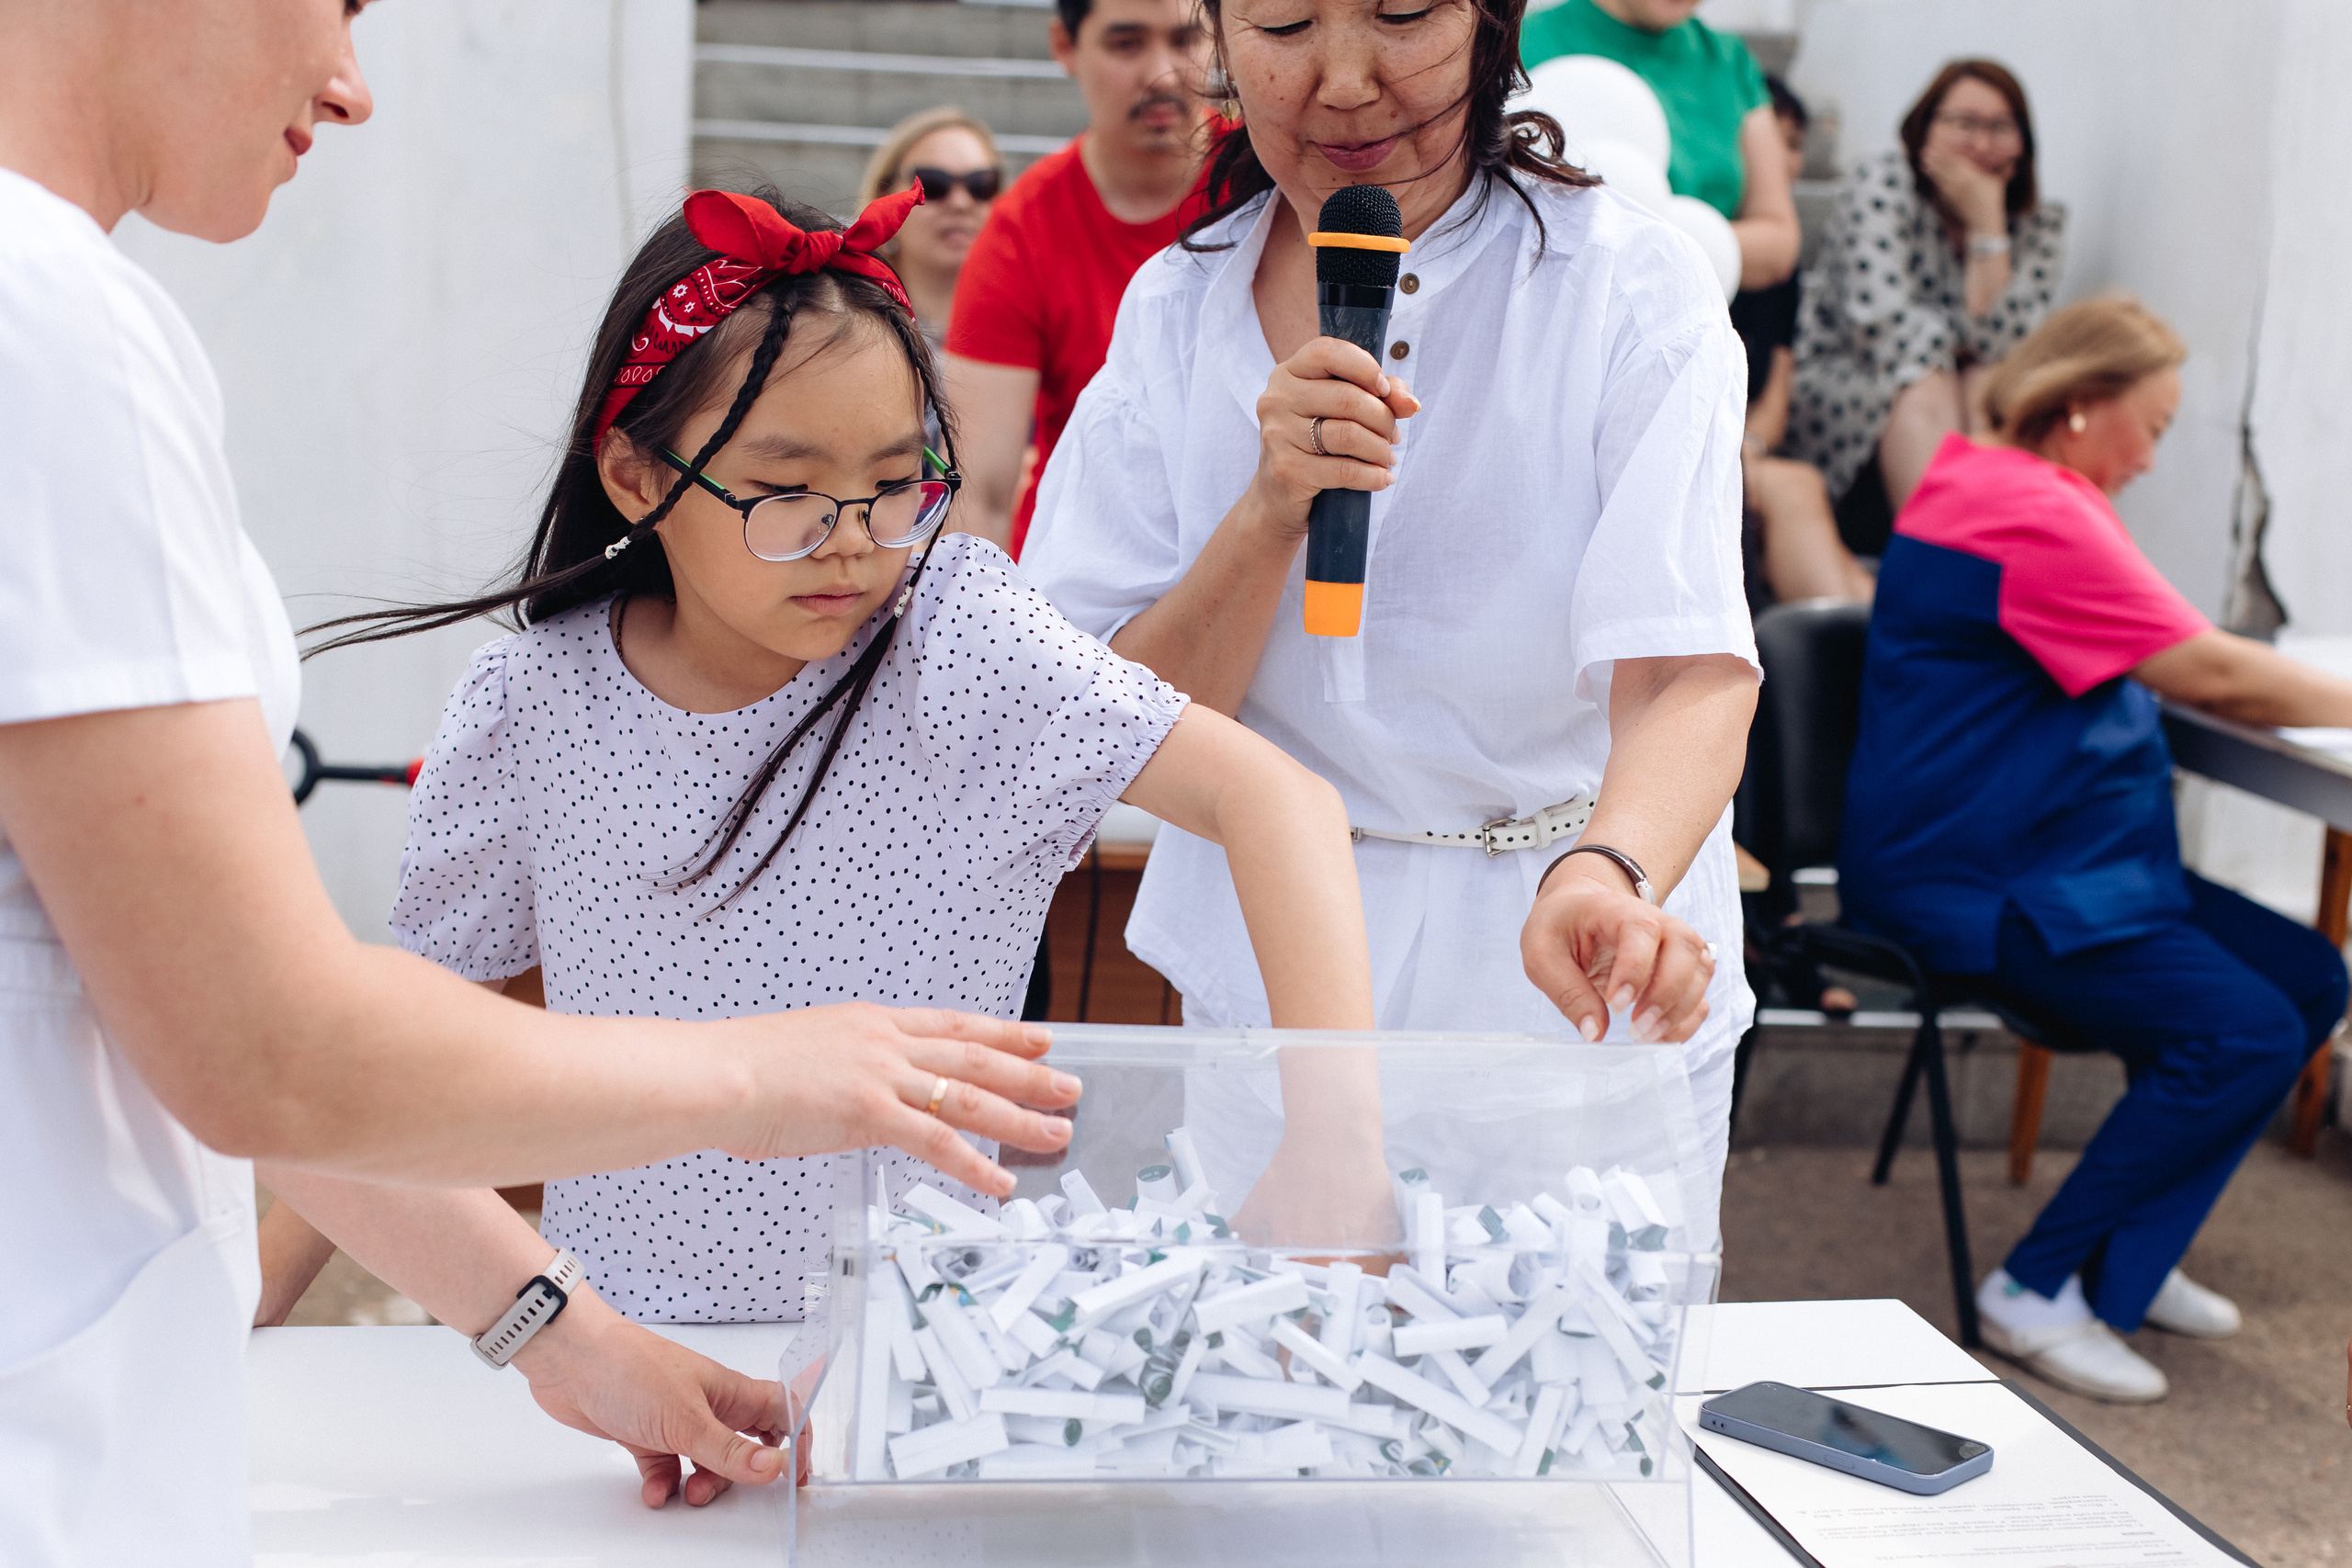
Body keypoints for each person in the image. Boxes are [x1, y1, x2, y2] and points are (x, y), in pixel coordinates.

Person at [0, 5, 1082, 1555]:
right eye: (349, 5)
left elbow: (170, 996)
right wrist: (758, 1074)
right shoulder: (51, 323)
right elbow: (264, 1046)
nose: (354, 89)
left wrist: (568, 1339)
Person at [266, 185, 1376, 1380]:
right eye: (788, 493)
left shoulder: (959, 638)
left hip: (940, 1354)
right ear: (637, 477)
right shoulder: (535, 701)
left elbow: (1280, 802)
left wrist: (1336, 1137)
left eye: (898, 484)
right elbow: (404, 1062)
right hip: (626, 1351)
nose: (852, 540)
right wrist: (250, 1311)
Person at [1023, 0, 1759, 1246]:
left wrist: (1615, 865)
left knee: (1562, 1395)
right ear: (1218, 35)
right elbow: (1099, 705)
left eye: (1404, 14)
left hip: (1571, 945)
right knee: (1288, 1394)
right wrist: (1267, 511)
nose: (1347, 81)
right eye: (1287, 23)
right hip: (1279, 965)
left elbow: (1690, 667)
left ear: (1492, 21)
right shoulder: (1175, 311)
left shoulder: (1627, 284)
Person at [1839, 295, 2352, 1404]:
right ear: (2079, 406)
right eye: (2154, 426)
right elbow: (2206, 671)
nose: (2155, 457)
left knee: (2310, 977)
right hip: (1985, 883)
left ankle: (2132, 1258)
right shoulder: (2028, 511)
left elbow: (2175, 655)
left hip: (2057, 856)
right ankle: (2033, 1285)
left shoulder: (2001, 485)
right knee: (2247, 1031)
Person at [942, 0, 1214, 556]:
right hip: (1078, 585)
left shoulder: (1276, 187)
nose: (1161, 74)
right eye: (1126, 43)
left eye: (1185, 40)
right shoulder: (1020, 233)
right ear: (1065, 47)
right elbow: (981, 491)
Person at [1787, 59, 2066, 555]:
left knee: (1992, 384)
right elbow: (1880, 326)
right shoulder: (1883, 182)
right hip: (1852, 382)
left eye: (1999, 127)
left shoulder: (2038, 224)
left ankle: (1990, 561)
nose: (1981, 144)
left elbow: (2011, 350)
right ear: (1924, 129)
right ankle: (1944, 561)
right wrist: (1961, 346)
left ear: (2023, 143)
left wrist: (1987, 224)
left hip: (1960, 392)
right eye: (1964, 123)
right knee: (1927, 379)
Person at [1520, 0, 1798, 290]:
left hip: (1696, 317)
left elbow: (1778, 240)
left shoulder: (1729, 61)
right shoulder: (1522, 41)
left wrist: (1659, 247)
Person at [1736, 76, 1872, 605]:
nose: (1788, 161)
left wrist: (1747, 447)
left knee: (1860, 583)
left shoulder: (1780, 264)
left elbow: (1776, 396)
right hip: (1685, 451)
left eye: (1795, 145)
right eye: (1775, 140)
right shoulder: (1692, 241)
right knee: (1797, 489)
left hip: (1746, 452)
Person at [855, 107, 1001, 355]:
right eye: (932, 185)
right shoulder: (848, 322)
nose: (960, 203)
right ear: (883, 198)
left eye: (981, 185)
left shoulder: (1036, 323)